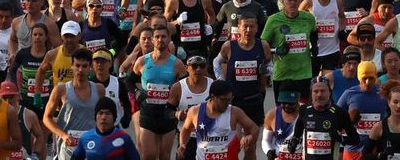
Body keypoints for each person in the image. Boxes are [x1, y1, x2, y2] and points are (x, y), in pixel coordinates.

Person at [133, 24, 186, 160]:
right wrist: (137, 92)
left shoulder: (177, 64)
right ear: (152, 40)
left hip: (167, 115)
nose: (160, 39)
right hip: (148, 113)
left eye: (163, 36)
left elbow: (184, 88)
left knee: (164, 155)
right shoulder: (142, 61)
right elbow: (128, 80)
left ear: (169, 39)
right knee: (148, 155)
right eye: (157, 37)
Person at [44, 48, 105, 160]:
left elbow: (103, 116)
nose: (80, 70)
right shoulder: (61, 90)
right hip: (68, 147)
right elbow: (46, 118)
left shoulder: (99, 89)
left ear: (90, 67)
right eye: (77, 65)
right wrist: (63, 135)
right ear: (72, 66)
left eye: (84, 66)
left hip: (91, 145)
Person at [178, 80, 259, 160]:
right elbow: (186, 128)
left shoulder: (235, 112)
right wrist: (182, 145)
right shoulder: (195, 111)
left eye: (230, 99)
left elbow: (254, 128)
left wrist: (249, 137)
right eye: (224, 100)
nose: (227, 103)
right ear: (213, 97)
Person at [261, 0, 317, 99]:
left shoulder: (309, 18)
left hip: (303, 73)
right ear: (282, 1)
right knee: (282, 111)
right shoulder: (273, 20)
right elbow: (263, 43)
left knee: (302, 110)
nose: (293, 2)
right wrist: (275, 50)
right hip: (282, 74)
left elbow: (314, 33)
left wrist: (314, 46)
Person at [285, 79, 359, 160]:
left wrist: (340, 138)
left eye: (323, 91)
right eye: (316, 91)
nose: (319, 95)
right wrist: (294, 141)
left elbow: (355, 139)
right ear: (311, 93)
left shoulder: (339, 112)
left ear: (329, 92)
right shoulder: (304, 110)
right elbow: (298, 130)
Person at [71, 96, 140, 160]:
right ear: (95, 117)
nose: (103, 117)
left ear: (114, 118)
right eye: (100, 113)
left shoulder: (124, 138)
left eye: (108, 113)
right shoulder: (85, 138)